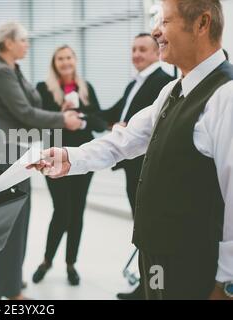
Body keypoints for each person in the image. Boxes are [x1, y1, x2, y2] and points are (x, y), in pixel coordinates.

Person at [30, 0, 233, 300]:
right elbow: (123, 140)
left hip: (196, 269)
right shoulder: (173, 91)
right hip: (156, 257)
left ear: (202, 24)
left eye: (165, 22)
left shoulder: (226, 97)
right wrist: (71, 157)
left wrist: (227, 284)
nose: (155, 31)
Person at [0, 22, 83, 300]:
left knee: (19, 220)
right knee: (12, 223)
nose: (27, 44)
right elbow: (25, 113)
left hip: (19, 152)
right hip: (7, 154)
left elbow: (31, 108)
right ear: (8, 43)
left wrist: (59, 111)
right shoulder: (2, 72)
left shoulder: (12, 69)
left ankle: (11, 280)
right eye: (24, 40)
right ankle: (10, 290)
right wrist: (62, 119)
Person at [100, 33, 174, 300]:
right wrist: (79, 112)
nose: (136, 54)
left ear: (157, 52)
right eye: (133, 49)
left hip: (149, 170)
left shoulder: (165, 83)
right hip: (133, 170)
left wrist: (123, 127)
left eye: (143, 49)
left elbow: (155, 129)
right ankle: (144, 287)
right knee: (142, 231)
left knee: (149, 233)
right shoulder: (136, 83)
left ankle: (150, 289)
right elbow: (111, 115)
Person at [32, 45, 106, 286]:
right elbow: (37, 121)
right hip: (54, 156)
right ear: (55, 63)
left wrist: (81, 117)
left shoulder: (86, 88)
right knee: (62, 210)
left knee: (77, 212)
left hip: (83, 158)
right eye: (60, 59)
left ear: (75, 60)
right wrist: (61, 113)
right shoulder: (43, 89)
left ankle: (70, 263)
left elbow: (98, 120)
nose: (65, 62)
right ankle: (46, 260)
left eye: (68, 57)